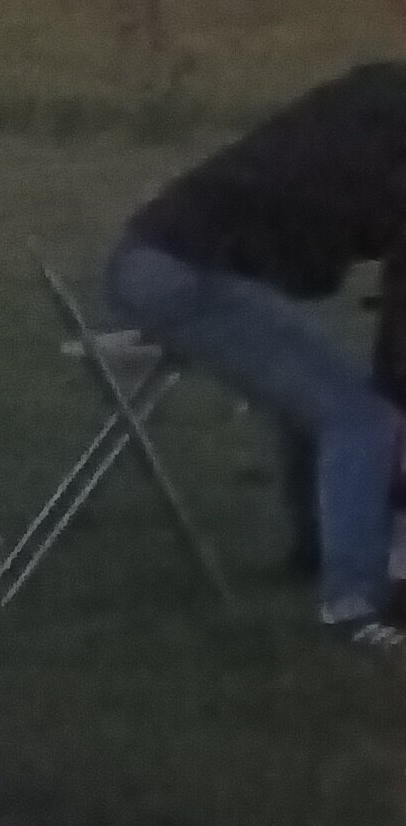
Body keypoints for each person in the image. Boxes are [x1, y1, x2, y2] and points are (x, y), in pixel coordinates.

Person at [101, 67, 406, 648]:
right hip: (189, 276)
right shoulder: (387, 137)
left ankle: (313, 553)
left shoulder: (369, 96)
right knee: (364, 420)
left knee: (320, 399)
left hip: (154, 262)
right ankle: (353, 605)